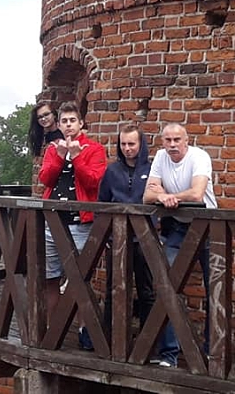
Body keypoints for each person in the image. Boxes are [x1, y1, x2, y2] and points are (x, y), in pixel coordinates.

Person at [143, 123, 217, 368]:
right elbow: (147, 196)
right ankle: (169, 355)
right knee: (167, 285)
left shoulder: (199, 157)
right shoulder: (160, 158)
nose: (172, 144)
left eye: (177, 140)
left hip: (207, 227)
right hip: (177, 228)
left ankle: (212, 352)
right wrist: (159, 195)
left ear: (186, 140)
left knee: (214, 289)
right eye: (168, 140)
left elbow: (197, 194)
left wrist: (168, 195)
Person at [38, 101, 107, 350]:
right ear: (60, 124)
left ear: (81, 123)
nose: (68, 125)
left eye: (72, 121)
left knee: (80, 279)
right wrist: (60, 156)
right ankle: (53, 328)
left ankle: (83, 329)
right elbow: (45, 179)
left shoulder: (94, 149)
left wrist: (76, 157)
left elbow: (93, 183)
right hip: (52, 221)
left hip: (80, 223)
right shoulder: (53, 149)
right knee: (50, 278)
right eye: (64, 121)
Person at [98, 125, 155, 339]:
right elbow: (102, 203)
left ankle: (148, 339)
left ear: (141, 144)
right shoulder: (112, 171)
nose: (127, 148)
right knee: (114, 288)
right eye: (123, 144)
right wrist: (105, 235)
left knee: (146, 289)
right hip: (117, 238)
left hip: (144, 238)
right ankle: (111, 337)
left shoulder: (152, 170)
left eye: (131, 144)